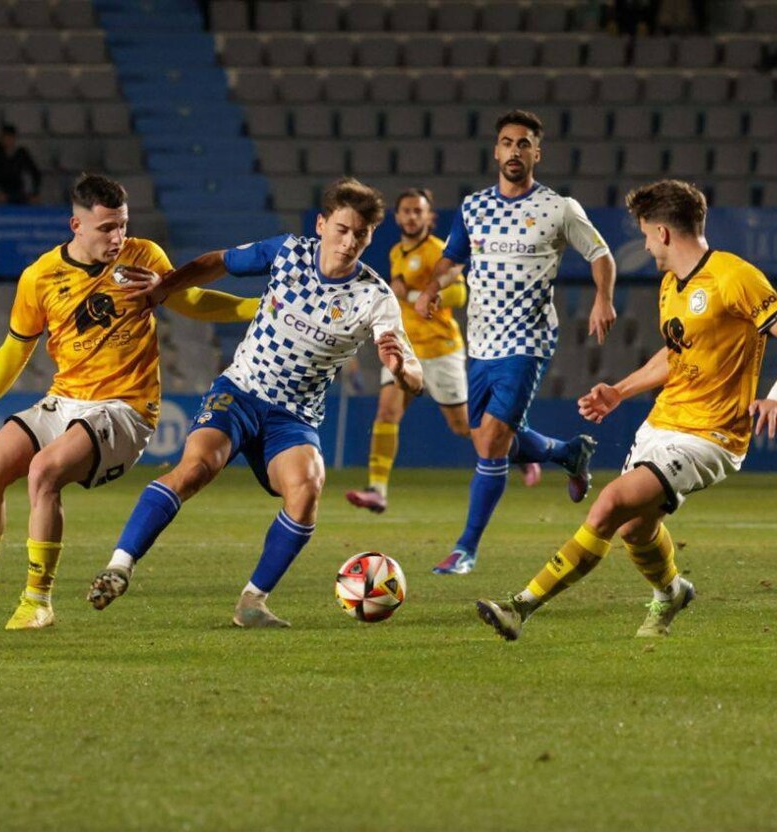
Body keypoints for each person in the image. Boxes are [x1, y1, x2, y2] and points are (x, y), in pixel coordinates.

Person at [0, 174, 257, 631]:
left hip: (125, 408)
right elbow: (17, 346)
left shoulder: (144, 256)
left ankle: (38, 600)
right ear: (75, 224)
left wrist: (257, 307)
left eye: (122, 225)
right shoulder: (39, 277)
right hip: (66, 400)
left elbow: (191, 300)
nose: (117, 238)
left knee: (44, 471)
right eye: (105, 228)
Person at [476, 179, 777, 641]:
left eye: (646, 234)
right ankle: (672, 592)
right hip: (662, 424)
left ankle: (521, 606)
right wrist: (620, 391)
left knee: (610, 503)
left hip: (710, 436)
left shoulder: (736, 277)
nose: (646, 243)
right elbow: (675, 355)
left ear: (664, 232)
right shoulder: (672, 283)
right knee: (636, 529)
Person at [86, 177, 423, 628]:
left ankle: (252, 601)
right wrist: (165, 287)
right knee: (195, 468)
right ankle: (119, 567)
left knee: (307, 490)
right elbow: (217, 262)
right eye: (342, 229)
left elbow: (416, 380)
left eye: (360, 234)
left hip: (294, 417)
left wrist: (401, 369)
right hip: (241, 391)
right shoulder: (287, 252)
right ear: (322, 225)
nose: (349, 242)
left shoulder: (375, 298)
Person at [416, 109, 617, 576]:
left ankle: (466, 548)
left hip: (527, 339)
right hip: (480, 341)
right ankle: (568, 453)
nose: (514, 151)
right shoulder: (473, 207)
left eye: (524, 144)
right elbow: (451, 258)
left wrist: (602, 300)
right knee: (487, 438)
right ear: (496, 151)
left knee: (491, 444)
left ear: (537, 154)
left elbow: (602, 254)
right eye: (507, 142)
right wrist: (430, 289)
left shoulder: (559, 208)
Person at [346, 187, 539, 515]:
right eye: (405, 210)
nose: (411, 216)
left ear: (429, 218)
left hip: (440, 350)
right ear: (397, 217)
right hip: (406, 349)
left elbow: (459, 295)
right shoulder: (396, 253)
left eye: (417, 211)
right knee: (387, 413)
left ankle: (523, 449)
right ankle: (377, 490)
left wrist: (410, 296)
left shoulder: (439, 251)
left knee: (465, 427)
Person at [0, 123, 41, 205]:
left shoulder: (21, 153)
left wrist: (35, 193)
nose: (8, 140)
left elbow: (35, 173)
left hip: (16, 191)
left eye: (10, 137)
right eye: (5, 137)